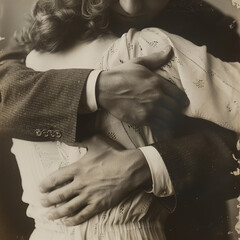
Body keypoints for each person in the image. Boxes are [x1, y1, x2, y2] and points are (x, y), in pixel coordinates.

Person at [0, 0, 240, 238]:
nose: (130, 8)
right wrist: (95, 89)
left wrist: (151, 165)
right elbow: (6, 92)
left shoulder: (204, 25)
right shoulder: (37, 41)